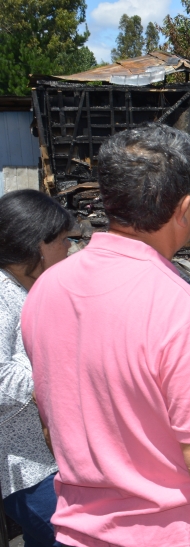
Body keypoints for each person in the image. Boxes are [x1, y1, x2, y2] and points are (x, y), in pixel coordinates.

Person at [22, 123, 190, 547]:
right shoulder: (180, 310)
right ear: (185, 208)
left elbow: (52, 424)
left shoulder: (48, 289)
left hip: (76, 534)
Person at [0, 189, 73, 547]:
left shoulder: (25, 290)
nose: (69, 249)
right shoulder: (1, 294)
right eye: (62, 241)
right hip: (26, 470)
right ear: (37, 246)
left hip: (47, 463)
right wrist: (63, 372)